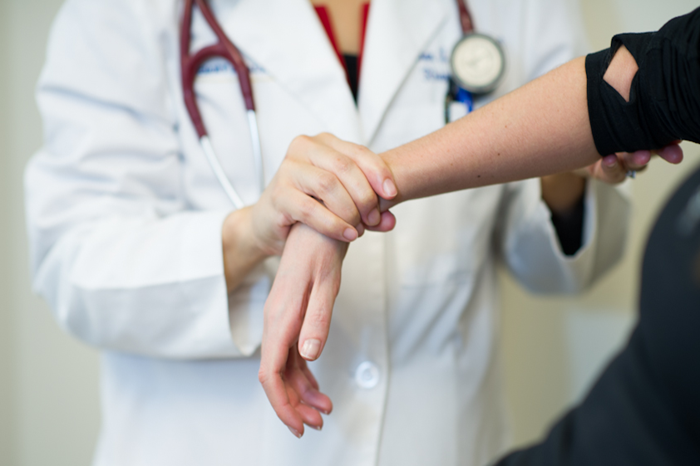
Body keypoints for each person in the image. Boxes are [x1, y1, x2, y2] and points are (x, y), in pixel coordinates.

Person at [26, 1, 635, 465]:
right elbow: (72, 260)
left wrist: (561, 168)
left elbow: (565, 262)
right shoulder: (123, 14)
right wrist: (250, 233)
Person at [262, 7, 699, 464]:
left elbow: (628, 91)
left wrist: (346, 193)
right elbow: (635, 82)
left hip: (440, 429)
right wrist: (269, 224)